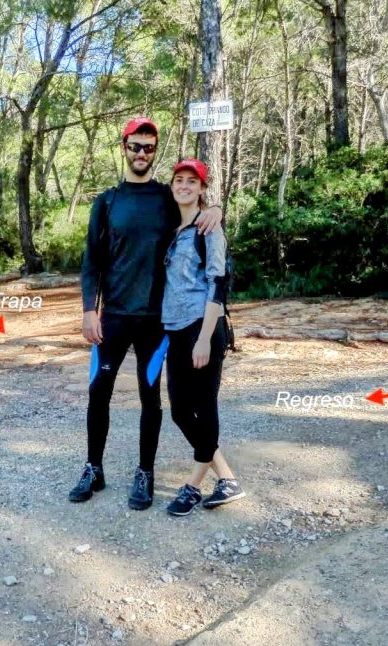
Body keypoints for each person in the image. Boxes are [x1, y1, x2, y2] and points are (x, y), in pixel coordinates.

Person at [69, 118, 222, 510]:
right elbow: (92, 262)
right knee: (97, 393)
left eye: (148, 148)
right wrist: (90, 310)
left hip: (156, 321)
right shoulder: (107, 202)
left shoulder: (165, 198)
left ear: (155, 151)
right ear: (124, 147)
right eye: (135, 146)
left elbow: (195, 206)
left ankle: (145, 472)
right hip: (113, 317)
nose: (141, 153)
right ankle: (93, 468)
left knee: (149, 398)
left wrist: (217, 209)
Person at [161, 158, 244, 516]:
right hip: (175, 329)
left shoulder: (209, 229)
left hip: (203, 328)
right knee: (180, 411)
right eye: (179, 180)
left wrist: (204, 338)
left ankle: (193, 485)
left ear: (201, 188)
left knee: (203, 405)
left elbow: (218, 283)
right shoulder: (172, 227)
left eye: (191, 181)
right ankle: (227, 478)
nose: (184, 186)